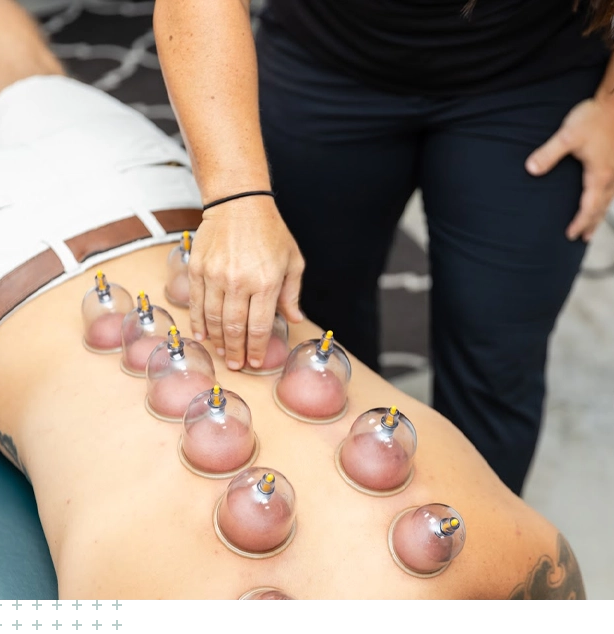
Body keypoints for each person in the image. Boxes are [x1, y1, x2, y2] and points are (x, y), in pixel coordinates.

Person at [0, 0, 587, 600]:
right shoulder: (514, 565)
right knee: (13, 60)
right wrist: (237, 198)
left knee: (11, 63)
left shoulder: (518, 563)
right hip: (143, 204)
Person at [152, 1, 614, 496]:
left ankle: (472, 548)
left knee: (496, 356)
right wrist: (237, 198)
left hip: (533, 80)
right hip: (325, 61)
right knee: (312, 328)